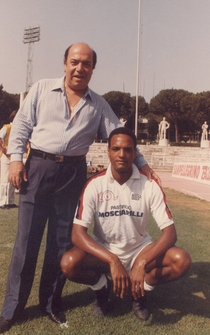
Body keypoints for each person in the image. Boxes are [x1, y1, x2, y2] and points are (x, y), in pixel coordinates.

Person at [0, 43, 159, 333]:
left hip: (72, 173)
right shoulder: (41, 89)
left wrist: (144, 164)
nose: (79, 68)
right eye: (75, 61)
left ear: (92, 69)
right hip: (38, 168)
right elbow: (21, 125)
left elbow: (118, 135)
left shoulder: (98, 104)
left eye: (86, 64)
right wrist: (15, 161)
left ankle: (50, 304)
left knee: (60, 246)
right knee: (26, 244)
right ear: (64, 63)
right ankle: (11, 310)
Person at [61, 127, 191, 322]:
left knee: (181, 260)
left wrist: (141, 261)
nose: (122, 154)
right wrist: (113, 260)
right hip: (105, 251)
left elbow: (170, 234)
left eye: (128, 149)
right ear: (108, 152)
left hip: (140, 249)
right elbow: (77, 234)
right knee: (69, 263)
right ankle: (102, 288)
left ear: (135, 153)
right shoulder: (94, 185)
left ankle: (139, 293)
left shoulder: (149, 185)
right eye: (116, 149)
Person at [0, 111, 18, 209]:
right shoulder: (7, 127)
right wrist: (3, 150)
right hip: (6, 156)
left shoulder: (17, 129)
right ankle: (2, 202)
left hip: (13, 156)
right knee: (5, 180)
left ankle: (10, 201)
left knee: (11, 180)